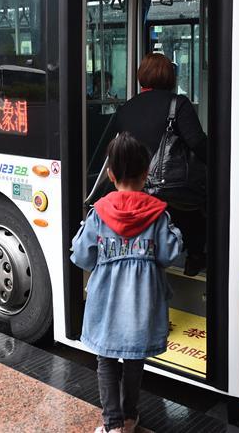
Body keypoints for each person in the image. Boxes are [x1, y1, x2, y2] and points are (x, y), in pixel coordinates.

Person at [71, 132, 183, 433]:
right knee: (134, 361)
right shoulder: (158, 214)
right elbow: (170, 254)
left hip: (106, 300)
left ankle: (112, 424)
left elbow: (82, 257)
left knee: (106, 361)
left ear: (110, 174)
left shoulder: (99, 213)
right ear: (146, 173)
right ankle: (130, 419)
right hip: (142, 303)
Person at [112, 52, 208, 276]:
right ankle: (195, 257)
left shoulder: (125, 109)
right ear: (169, 77)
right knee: (199, 202)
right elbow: (196, 142)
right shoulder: (178, 104)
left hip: (138, 186)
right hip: (173, 188)